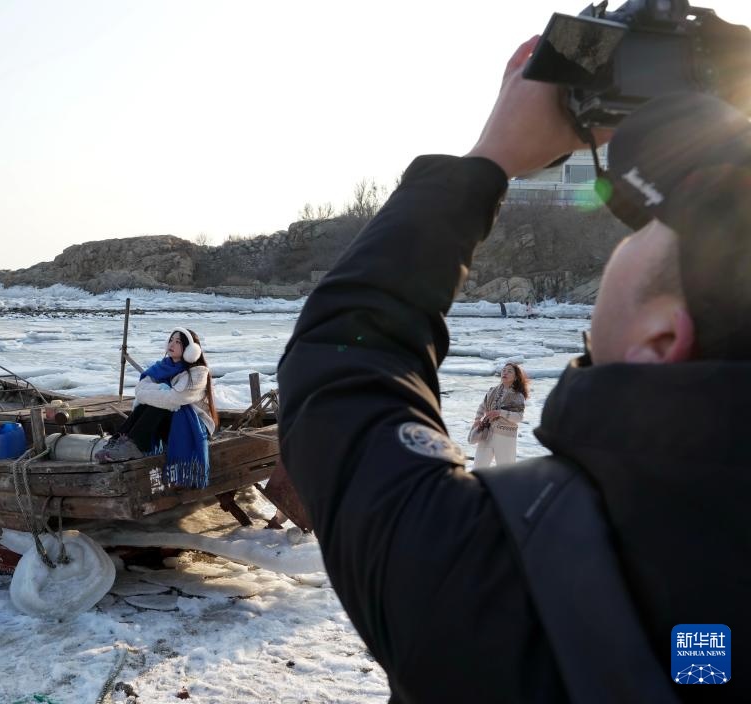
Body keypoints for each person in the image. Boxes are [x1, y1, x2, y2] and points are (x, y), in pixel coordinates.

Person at [277, 34, 750, 704]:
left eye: (644, 230)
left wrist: (490, 157)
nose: (628, 237)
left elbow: (345, 357)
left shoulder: (489, 578)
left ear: (662, 337)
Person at [95, 327, 219, 488]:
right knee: (153, 402)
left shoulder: (197, 373)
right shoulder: (161, 367)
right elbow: (140, 390)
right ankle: (123, 440)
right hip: (168, 424)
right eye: (171, 340)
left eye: (178, 342)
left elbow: (176, 399)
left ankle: (134, 446)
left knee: (159, 405)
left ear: (190, 350)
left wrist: (157, 392)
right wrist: (162, 391)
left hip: (192, 427)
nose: (172, 344)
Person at [469, 362, 528, 468]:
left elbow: (519, 417)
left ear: (515, 377)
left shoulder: (518, 396)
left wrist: (500, 413)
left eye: (509, 371)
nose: (505, 373)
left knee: (506, 474)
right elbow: (482, 406)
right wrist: (477, 419)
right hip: (487, 434)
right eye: (503, 370)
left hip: (505, 437)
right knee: (478, 469)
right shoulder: (492, 390)